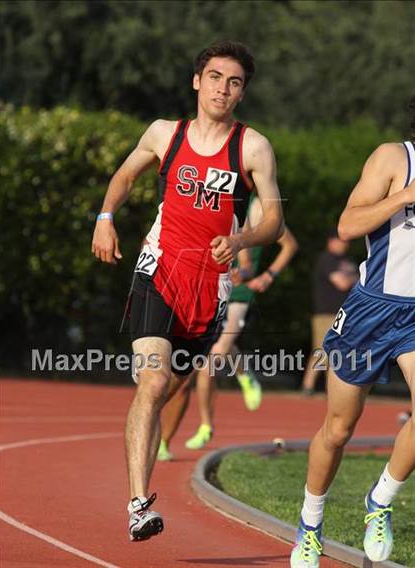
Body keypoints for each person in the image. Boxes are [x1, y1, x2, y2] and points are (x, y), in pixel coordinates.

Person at [91, 40, 284, 542]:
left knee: (166, 392)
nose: (223, 88)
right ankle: (138, 505)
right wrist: (105, 218)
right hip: (160, 267)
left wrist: (240, 239)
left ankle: (142, 482)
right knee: (152, 385)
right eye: (215, 77)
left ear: (242, 93)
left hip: (210, 283)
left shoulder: (253, 147)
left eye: (234, 81)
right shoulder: (164, 133)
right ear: (197, 81)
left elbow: (275, 222)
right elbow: (125, 176)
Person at [290, 98, 415, 568]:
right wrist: (405, 197)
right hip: (371, 311)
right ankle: (309, 523)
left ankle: (380, 501)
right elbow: (346, 224)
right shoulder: (393, 158)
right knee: (339, 429)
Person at [156, 207, 298, 459]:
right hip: (210, 290)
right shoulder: (212, 200)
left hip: (238, 296)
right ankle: (242, 371)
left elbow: (288, 245)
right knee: (210, 352)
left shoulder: (258, 207)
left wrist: (267, 275)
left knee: (210, 360)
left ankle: (205, 425)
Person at [301, 229, 358, 396]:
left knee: (339, 352)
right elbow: (343, 283)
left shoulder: (348, 260)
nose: (345, 244)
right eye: (341, 241)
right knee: (322, 350)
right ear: (331, 241)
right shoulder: (327, 259)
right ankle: (307, 386)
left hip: (345, 313)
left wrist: (352, 279)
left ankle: (332, 388)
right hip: (326, 312)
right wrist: (354, 278)